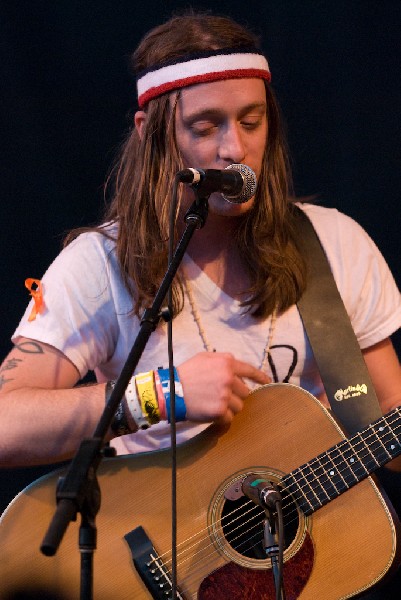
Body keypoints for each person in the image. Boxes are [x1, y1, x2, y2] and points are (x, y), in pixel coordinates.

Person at [1, 10, 401, 598]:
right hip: (146, 560)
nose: (234, 148)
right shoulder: (99, 265)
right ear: (151, 130)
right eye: (206, 126)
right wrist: (163, 395)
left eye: (251, 120)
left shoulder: (335, 246)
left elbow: (383, 412)